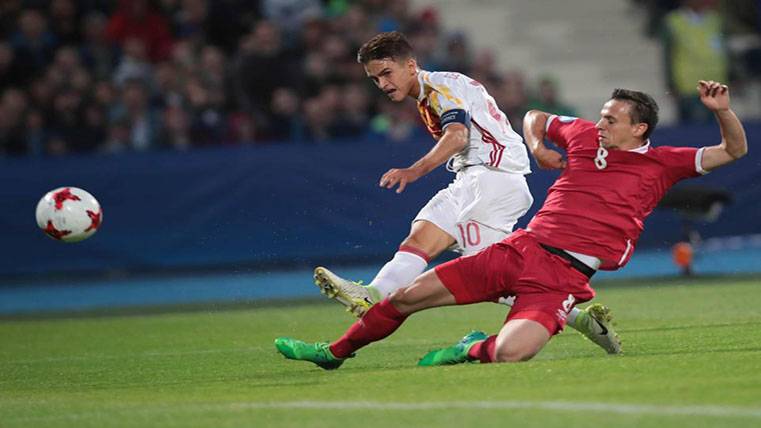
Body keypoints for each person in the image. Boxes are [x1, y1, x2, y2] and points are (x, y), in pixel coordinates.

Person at [275, 79, 746, 369]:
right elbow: (535, 116)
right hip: (521, 250)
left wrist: (722, 111)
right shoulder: (582, 134)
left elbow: (733, 151)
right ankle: (332, 354)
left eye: (611, 119)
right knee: (405, 298)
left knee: (512, 353)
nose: (599, 123)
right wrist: (537, 144)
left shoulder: (664, 163)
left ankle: (469, 349)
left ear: (639, 128)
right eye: (601, 115)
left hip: (564, 277)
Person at [311, 31, 619, 356]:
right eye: (375, 79)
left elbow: (457, 136)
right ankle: (372, 293)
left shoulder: (442, 88)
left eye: (387, 73)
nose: (383, 84)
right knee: (420, 238)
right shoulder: (430, 93)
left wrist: (414, 170)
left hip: (495, 180)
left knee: (487, 275)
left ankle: (582, 320)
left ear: (411, 65)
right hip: (470, 178)